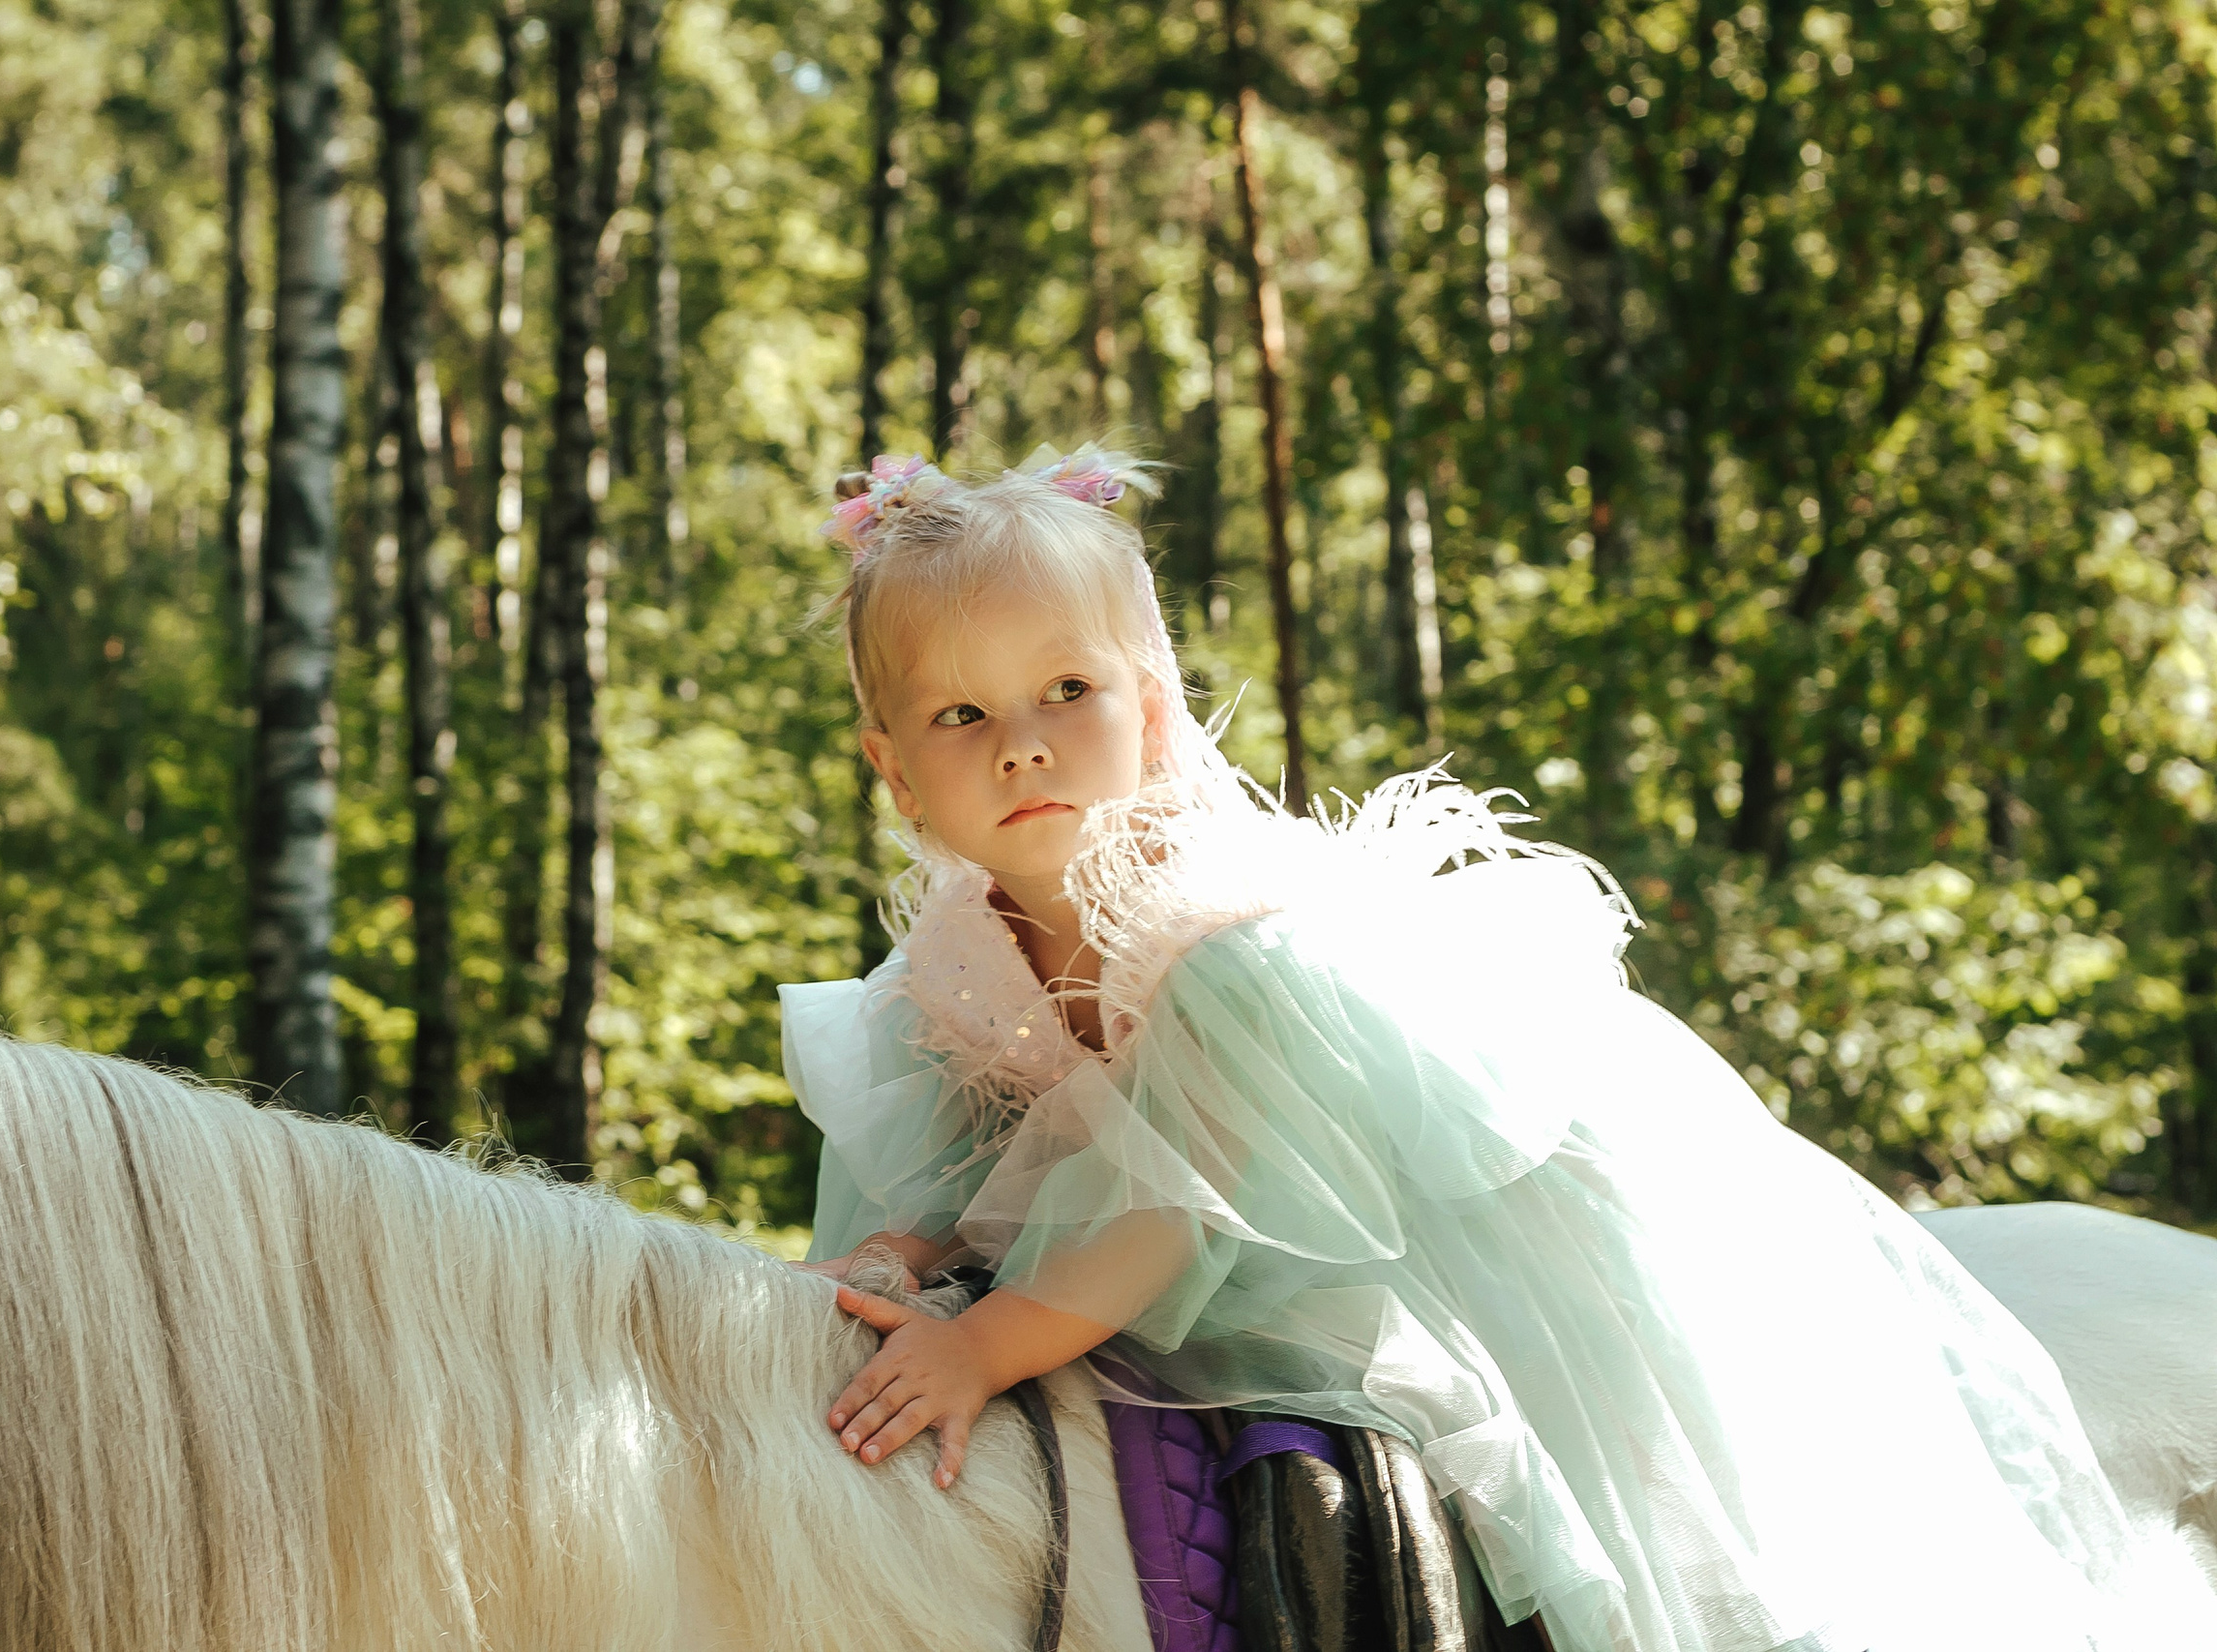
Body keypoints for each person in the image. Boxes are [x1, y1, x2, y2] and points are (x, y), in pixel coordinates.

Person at [781, 444, 2143, 1651]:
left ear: (1148, 705)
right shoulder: (940, 984)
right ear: (894, 770)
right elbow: (960, 1173)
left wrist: (983, 1348)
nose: (1021, 748)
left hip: (1393, 1249)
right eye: (961, 717)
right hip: (1165, 1254)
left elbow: (1169, 1216)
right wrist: (904, 1253)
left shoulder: (1224, 948)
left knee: (1565, 1518)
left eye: (1063, 690)